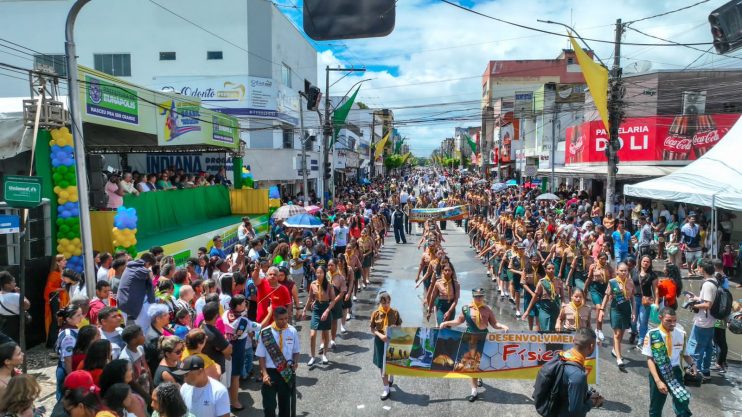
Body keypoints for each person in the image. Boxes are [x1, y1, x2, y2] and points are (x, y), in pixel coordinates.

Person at [441, 288, 508, 402]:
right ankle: (474, 391)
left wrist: (502, 326)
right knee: (472, 364)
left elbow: (494, 324)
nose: (479, 298)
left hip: (484, 338)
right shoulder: (466, 309)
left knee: (482, 361)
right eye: (477, 296)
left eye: (481, 296)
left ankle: (478, 377)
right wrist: (446, 323)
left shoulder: (487, 309)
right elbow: (458, 321)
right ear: (473, 296)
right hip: (471, 339)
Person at [643, 307, 696, 417]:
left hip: (675, 373)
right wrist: (658, 381)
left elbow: (685, 354)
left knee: (682, 402)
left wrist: (693, 365)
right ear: (660, 318)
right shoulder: (652, 335)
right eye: (669, 321)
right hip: (658, 372)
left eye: (674, 320)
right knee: (656, 407)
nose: (673, 324)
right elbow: (650, 360)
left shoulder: (681, 334)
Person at [256, 306, 300, 417]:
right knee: (269, 407)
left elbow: (296, 351)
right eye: (281, 319)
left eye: (286, 318)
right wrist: (264, 374)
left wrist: (295, 362)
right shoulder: (266, 333)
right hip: (270, 373)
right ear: (274, 318)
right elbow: (261, 356)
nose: (285, 321)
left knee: (285, 407)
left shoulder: (292, 331)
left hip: (286, 372)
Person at [548, 328, 603, 417]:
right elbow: (576, 412)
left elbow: (565, 386)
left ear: (573, 341)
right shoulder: (578, 375)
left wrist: (588, 394)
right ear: (592, 346)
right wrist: (592, 402)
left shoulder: (561, 356)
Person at [222, 295, 260, 411]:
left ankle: (227, 398)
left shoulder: (226, 313)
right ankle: (234, 401)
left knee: (227, 374)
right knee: (235, 376)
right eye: (244, 303)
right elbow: (259, 326)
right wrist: (269, 313)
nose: (246, 304)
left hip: (226, 345)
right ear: (238, 305)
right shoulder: (243, 321)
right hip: (238, 348)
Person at [685, 260, 718, 382]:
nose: (697, 269)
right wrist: (696, 298)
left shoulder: (707, 284)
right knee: (708, 348)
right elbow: (708, 300)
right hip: (710, 320)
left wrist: (692, 305)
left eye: (698, 267)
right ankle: (705, 372)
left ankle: (694, 373)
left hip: (703, 321)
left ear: (702, 269)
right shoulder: (714, 281)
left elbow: (708, 304)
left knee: (695, 347)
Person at [599, 262, 635, 369]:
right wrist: (602, 309)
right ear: (617, 271)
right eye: (621, 270)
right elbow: (606, 296)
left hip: (626, 310)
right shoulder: (612, 282)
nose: (624, 273)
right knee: (617, 334)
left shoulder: (630, 282)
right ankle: (619, 358)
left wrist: (634, 312)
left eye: (626, 270)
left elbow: (632, 298)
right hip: (616, 309)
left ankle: (615, 349)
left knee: (622, 331)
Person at [369, 291, 402, 401]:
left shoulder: (395, 312)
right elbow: (372, 329)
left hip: (391, 340)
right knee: (382, 366)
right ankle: (386, 388)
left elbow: (399, 325)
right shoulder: (376, 313)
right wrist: (380, 336)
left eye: (388, 302)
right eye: (384, 303)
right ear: (380, 302)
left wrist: (396, 328)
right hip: (380, 341)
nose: (386, 305)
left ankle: (391, 374)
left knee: (391, 361)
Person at [302, 266, 336, 366]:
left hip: (326, 308)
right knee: (312, 335)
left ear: (324, 273)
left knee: (325, 334)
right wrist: (304, 310)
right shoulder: (313, 284)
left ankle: (325, 354)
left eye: (321, 272)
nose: (319, 274)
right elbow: (309, 298)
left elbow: (333, 300)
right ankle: (313, 357)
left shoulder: (329, 285)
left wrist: (327, 311)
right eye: (317, 272)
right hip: (316, 309)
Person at [117, 252, 157, 330]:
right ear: (148, 263)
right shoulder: (144, 271)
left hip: (122, 302)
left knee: (130, 330)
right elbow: (151, 291)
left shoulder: (129, 266)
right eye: (149, 266)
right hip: (132, 304)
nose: (149, 268)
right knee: (145, 328)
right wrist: (154, 306)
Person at [55, 305, 83, 400]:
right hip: (67, 369)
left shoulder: (71, 328)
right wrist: (71, 377)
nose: (81, 317)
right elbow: (68, 358)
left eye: (81, 314)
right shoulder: (69, 336)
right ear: (69, 319)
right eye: (78, 315)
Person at [45, 254, 70, 347]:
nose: (65, 262)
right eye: (63, 260)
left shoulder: (65, 272)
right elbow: (49, 288)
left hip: (64, 298)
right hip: (56, 299)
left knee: (63, 319)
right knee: (56, 319)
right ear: (58, 263)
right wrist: (61, 289)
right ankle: (51, 343)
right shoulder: (53, 274)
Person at [0, 272, 30, 344]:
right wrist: (20, 293)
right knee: (15, 345)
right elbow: (27, 305)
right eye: (13, 282)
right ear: (7, 285)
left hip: (2, 324)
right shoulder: (15, 296)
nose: (15, 284)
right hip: (14, 324)